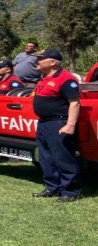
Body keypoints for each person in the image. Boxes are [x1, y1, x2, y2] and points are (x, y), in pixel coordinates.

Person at [31, 48, 81, 202]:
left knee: (63, 157)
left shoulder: (66, 79)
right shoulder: (44, 78)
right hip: (44, 123)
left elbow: (75, 102)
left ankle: (70, 191)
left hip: (58, 122)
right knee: (46, 158)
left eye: (41, 58)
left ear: (52, 62)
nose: (37, 61)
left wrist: (70, 124)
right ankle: (52, 187)